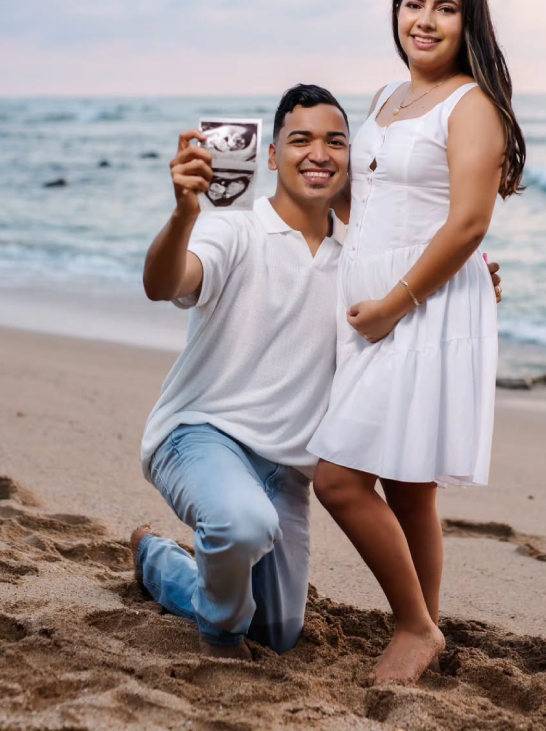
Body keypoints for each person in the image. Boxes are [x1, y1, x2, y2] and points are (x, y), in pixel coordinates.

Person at [134, 82, 505, 659]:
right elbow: (165, 283)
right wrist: (184, 213)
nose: (319, 153)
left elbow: (416, 296)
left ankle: (161, 562)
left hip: (285, 469)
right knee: (242, 527)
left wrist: (474, 286)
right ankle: (218, 639)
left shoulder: (362, 254)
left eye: (337, 141)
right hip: (199, 435)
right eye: (300, 139)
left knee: (278, 633)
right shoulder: (234, 227)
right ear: (271, 154)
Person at [307, 0, 527, 685]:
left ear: (468, 22)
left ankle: (412, 624)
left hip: (419, 305)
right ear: (395, 12)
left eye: (444, 7)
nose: (424, 20)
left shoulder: (472, 106)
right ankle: (428, 627)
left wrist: (397, 302)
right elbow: (361, 205)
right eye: (412, 3)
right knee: (406, 484)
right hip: (374, 296)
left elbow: (468, 225)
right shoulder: (382, 98)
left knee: (338, 478)